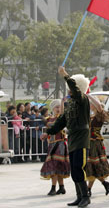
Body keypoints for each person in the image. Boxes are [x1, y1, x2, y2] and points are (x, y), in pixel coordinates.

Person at [40, 67, 91, 208]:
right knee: (74, 170)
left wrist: (66, 76)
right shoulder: (70, 104)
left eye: (71, 86)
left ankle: (86, 197)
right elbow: (61, 121)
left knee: (78, 167)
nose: (69, 90)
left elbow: (76, 90)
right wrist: (48, 132)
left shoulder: (83, 100)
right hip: (73, 137)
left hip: (82, 137)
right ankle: (79, 196)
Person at [40, 99, 70, 196]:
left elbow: (62, 113)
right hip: (52, 144)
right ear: (52, 108)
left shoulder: (60, 118)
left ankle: (53, 188)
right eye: (56, 107)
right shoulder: (49, 119)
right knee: (56, 166)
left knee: (55, 165)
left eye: (59, 107)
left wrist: (62, 103)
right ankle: (61, 187)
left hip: (60, 143)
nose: (58, 109)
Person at [85, 94, 109, 197]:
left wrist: (89, 96)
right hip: (89, 143)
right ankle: (102, 184)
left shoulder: (99, 116)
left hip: (95, 143)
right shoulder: (91, 117)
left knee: (93, 165)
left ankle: (90, 189)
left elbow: (99, 106)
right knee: (92, 167)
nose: (91, 105)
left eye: (92, 104)